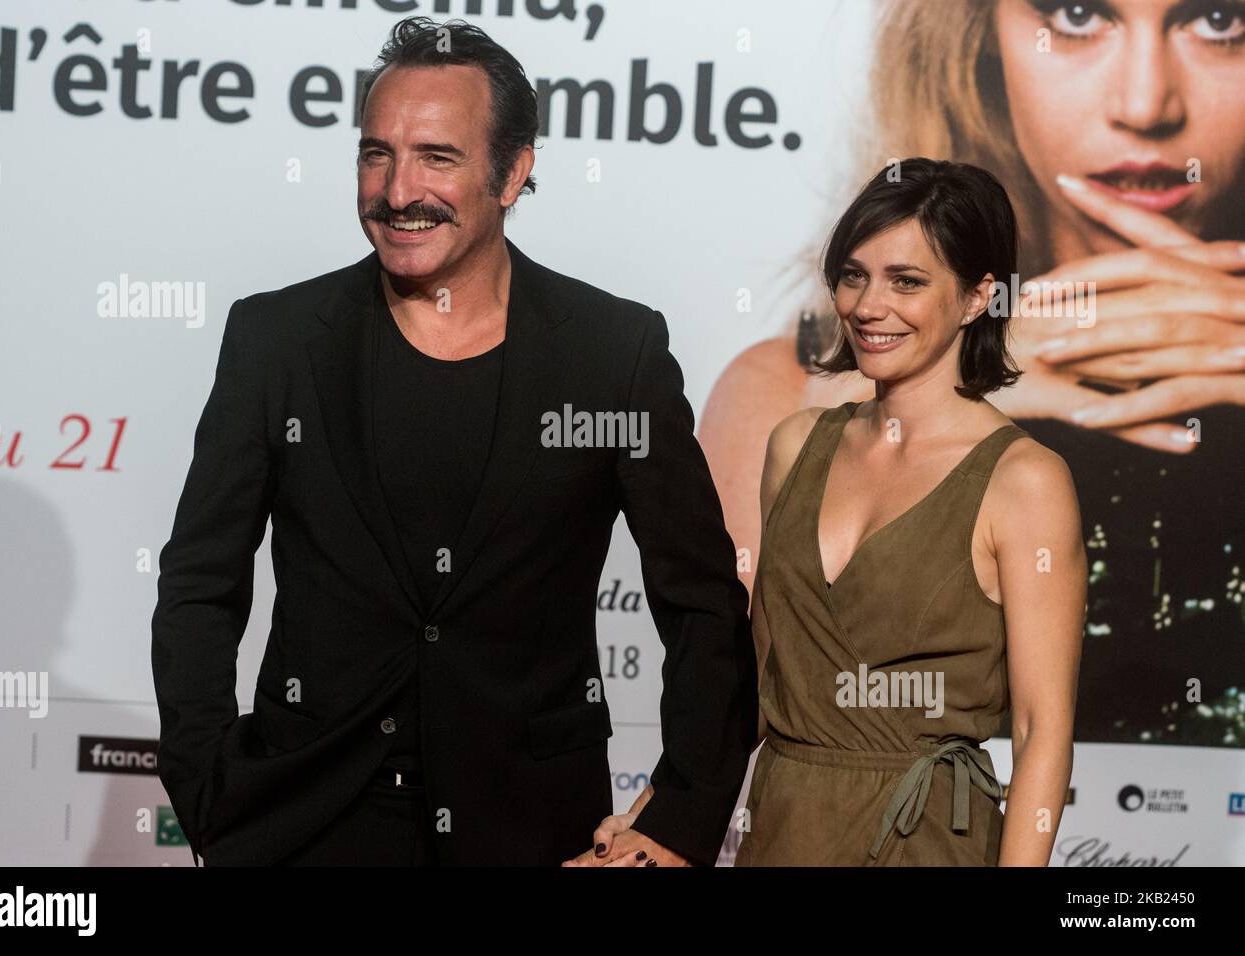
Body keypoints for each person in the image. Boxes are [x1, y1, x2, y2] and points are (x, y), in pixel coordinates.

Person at [151, 16, 755, 867]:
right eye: (375, 154)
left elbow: (701, 608)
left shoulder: (612, 354)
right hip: (303, 826)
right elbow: (198, 587)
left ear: (513, 172)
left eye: (437, 157)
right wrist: (212, 791)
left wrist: (679, 822)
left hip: (533, 829)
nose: (398, 191)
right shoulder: (278, 340)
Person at [699, 0, 1245, 747]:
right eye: (1078, 14)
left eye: (1219, 20)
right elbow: (760, 724)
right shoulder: (785, 392)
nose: (1145, 105)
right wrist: (920, 379)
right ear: (978, 43)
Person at [729, 158, 1084, 865]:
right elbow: (757, 683)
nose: (867, 305)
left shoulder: (1025, 482)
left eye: (908, 281)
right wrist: (662, 808)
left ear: (978, 296)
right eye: (854, 274)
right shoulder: (794, 445)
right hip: (783, 827)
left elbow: (1042, 731)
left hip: (926, 840)